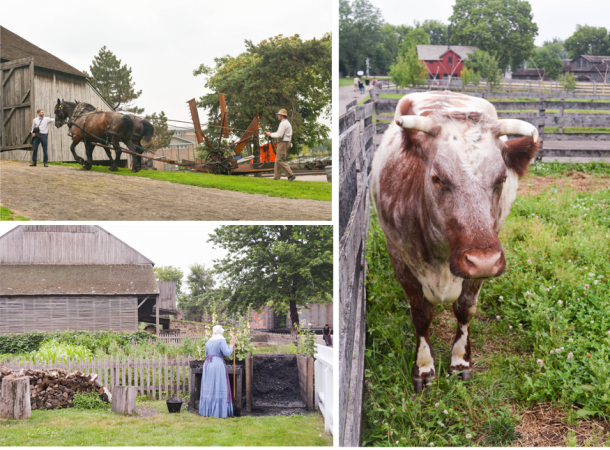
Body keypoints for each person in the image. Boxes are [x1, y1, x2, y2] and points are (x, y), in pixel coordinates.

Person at [199, 325, 237, 418]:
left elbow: (206, 355)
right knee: (218, 386)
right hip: (217, 365)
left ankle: (208, 411)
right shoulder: (221, 340)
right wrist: (231, 345)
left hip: (207, 365)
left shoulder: (208, 341)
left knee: (209, 387)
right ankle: (218, 412)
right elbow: (227, 353)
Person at [264, 109, 296, 182]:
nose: (278, 116)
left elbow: (279, 135)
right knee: (277, 160)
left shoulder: (283, 123)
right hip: (286, 142)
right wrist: (270, 133)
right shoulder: (286, 123)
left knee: (280, 160)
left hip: (283, 143)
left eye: (278, 115)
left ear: (281, 116)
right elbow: (279, 133)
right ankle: (276, 177)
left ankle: (291, 175)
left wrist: (270, 134)